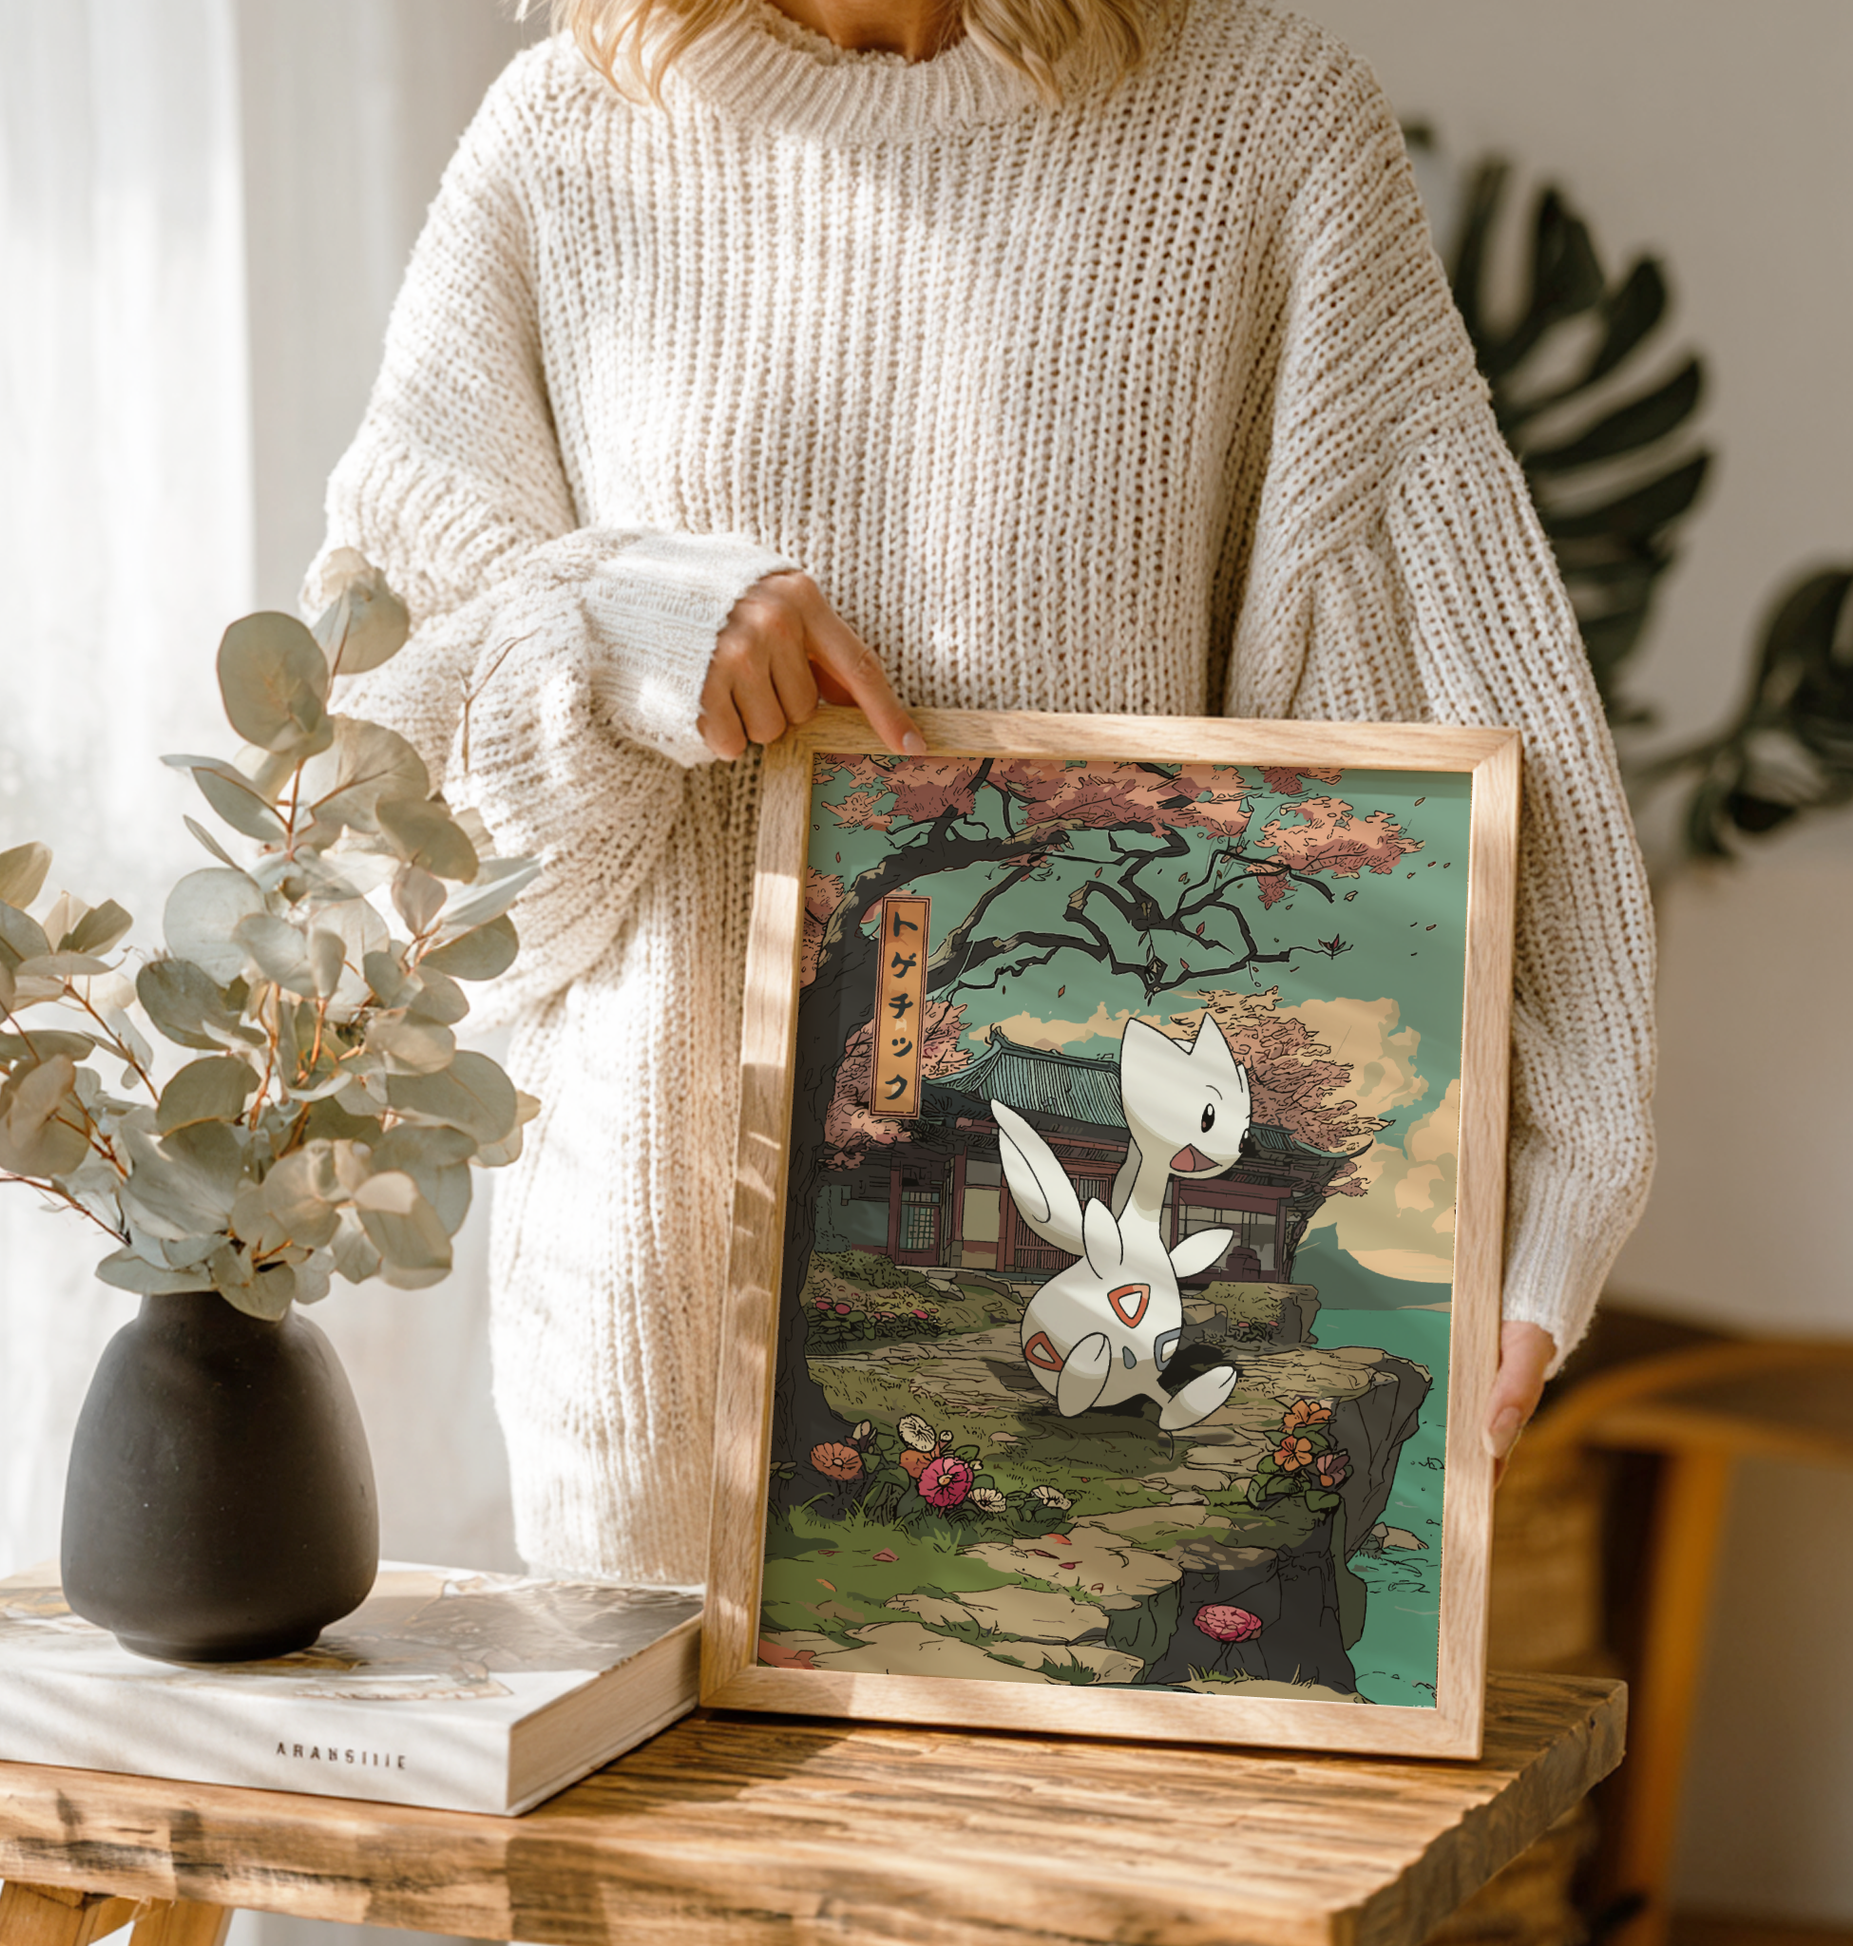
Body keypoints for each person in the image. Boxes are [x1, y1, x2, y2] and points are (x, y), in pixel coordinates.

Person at [305, 0, 1655, 1586]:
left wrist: (1547, 1177)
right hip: (644, 1344)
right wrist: (617, 625)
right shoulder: (562, 140)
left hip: (1110, 1437)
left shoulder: (1260, 127)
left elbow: (1435, 711)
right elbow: (377, 822)